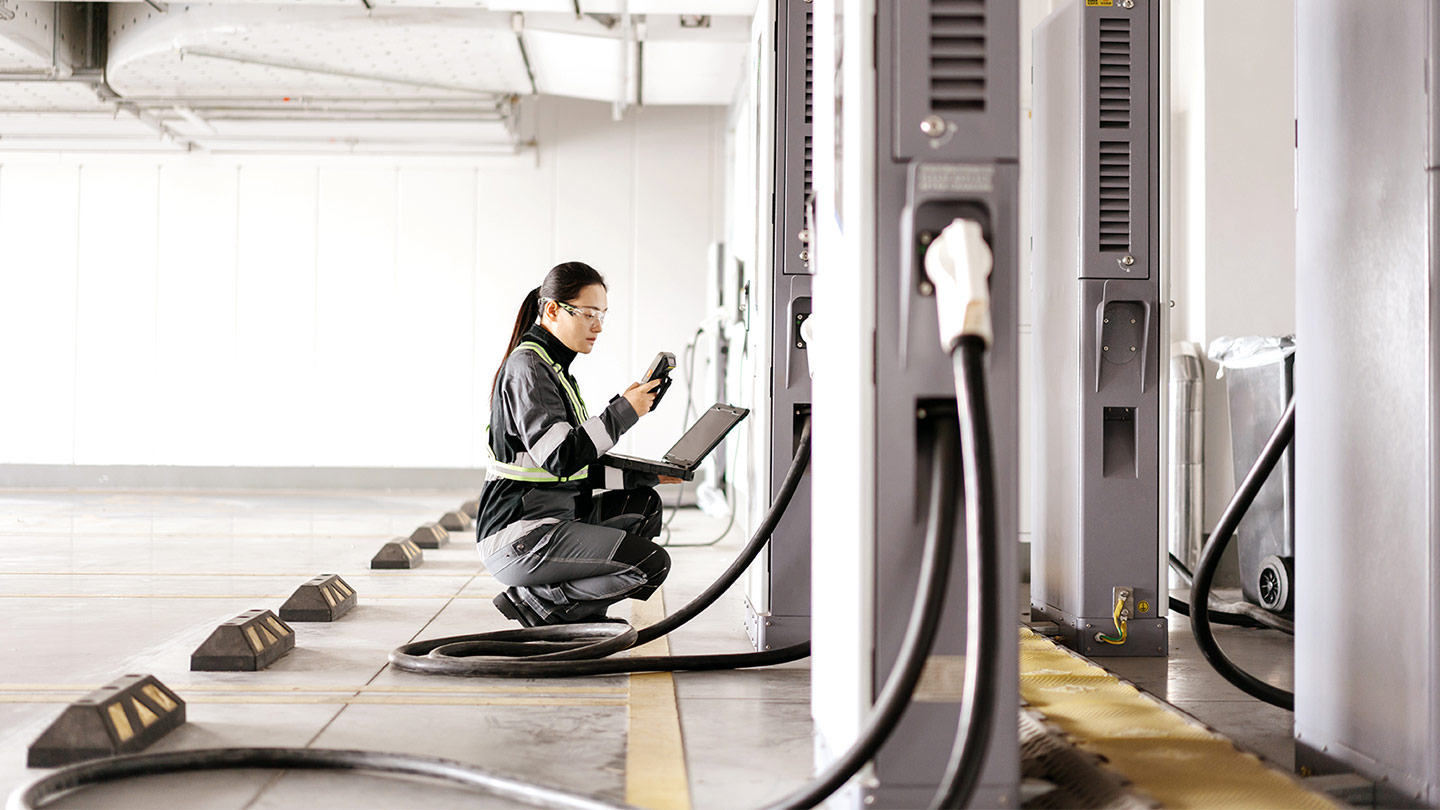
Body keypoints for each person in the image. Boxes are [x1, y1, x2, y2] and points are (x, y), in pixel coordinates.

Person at [477, 261, 680, 627]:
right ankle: (538, 602)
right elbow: (560, 458)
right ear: (552, 310)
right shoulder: (529, 368)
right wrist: (622, 413)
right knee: (651, 565)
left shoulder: (554, 369)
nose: (598, 326)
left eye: (602, 315)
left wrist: (649, 477)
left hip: (552, 519)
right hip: (521, 535)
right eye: (588, 314)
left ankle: (575, 619)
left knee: (643, 504)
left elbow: (580, 465)